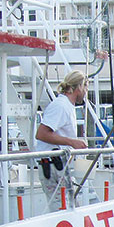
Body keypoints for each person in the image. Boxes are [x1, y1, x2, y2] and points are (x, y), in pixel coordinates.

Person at [35, 70, 88, 210]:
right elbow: (41, 134)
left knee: (69, 206)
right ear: (79, 87)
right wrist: (72, 142)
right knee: (61, 207)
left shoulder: (67, 106)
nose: (86, 92)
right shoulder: (60, 106)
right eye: (86, 87)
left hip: (60, 166)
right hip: (53, 166)